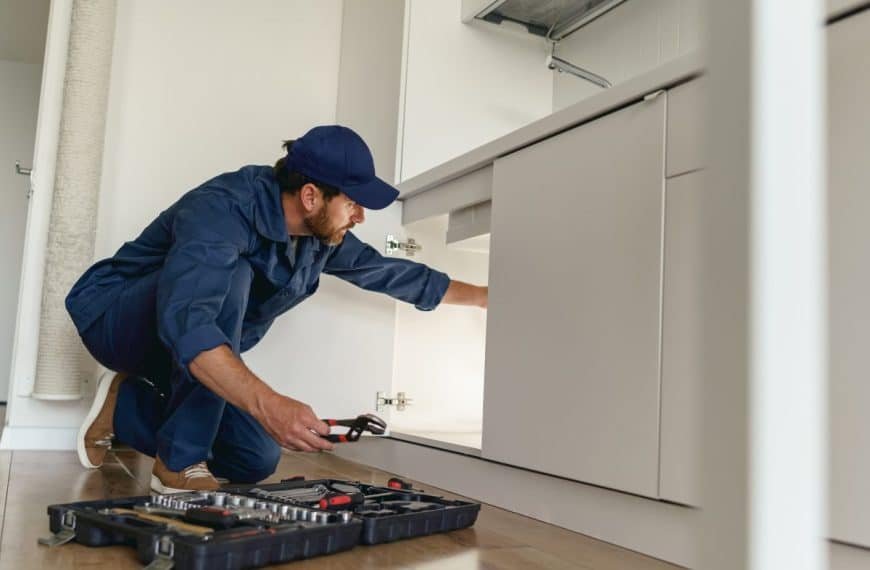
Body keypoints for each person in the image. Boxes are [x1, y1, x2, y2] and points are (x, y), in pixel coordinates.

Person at [65, 125, 488, 493]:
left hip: (186, 348)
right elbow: (189, 322)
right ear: (310, 196)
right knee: (236, 276)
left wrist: (487, 297)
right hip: (116, 320)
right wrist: (269, 403)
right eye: (353, 203)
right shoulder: (222, 210)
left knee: (255, 458)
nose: (359, 216)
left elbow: (390, 273)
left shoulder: (318, 236)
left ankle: (123, 405)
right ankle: (176, 464)